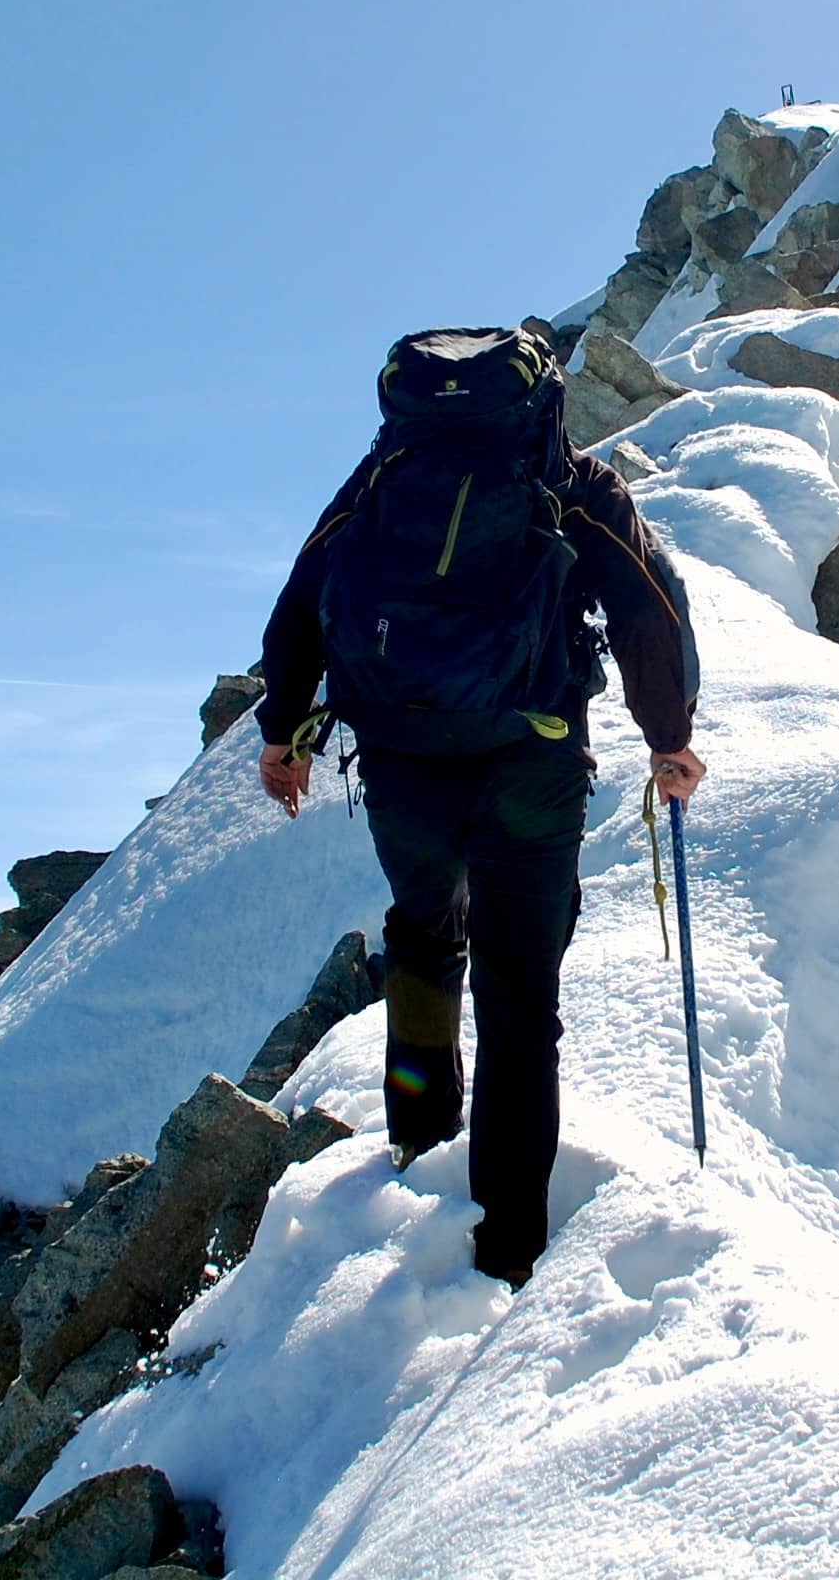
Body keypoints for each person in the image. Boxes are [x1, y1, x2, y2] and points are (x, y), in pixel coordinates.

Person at [255, 325, 704, 1285]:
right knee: (518, 998)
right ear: (542, 400)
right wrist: (669, 739)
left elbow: (301, 598)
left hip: (402, 760)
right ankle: (505, 1246)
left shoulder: (381, 479)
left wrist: (283, 731)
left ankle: (420, 1147)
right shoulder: (571, 480)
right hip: (531, 766)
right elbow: (646, 610)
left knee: (423, 935)